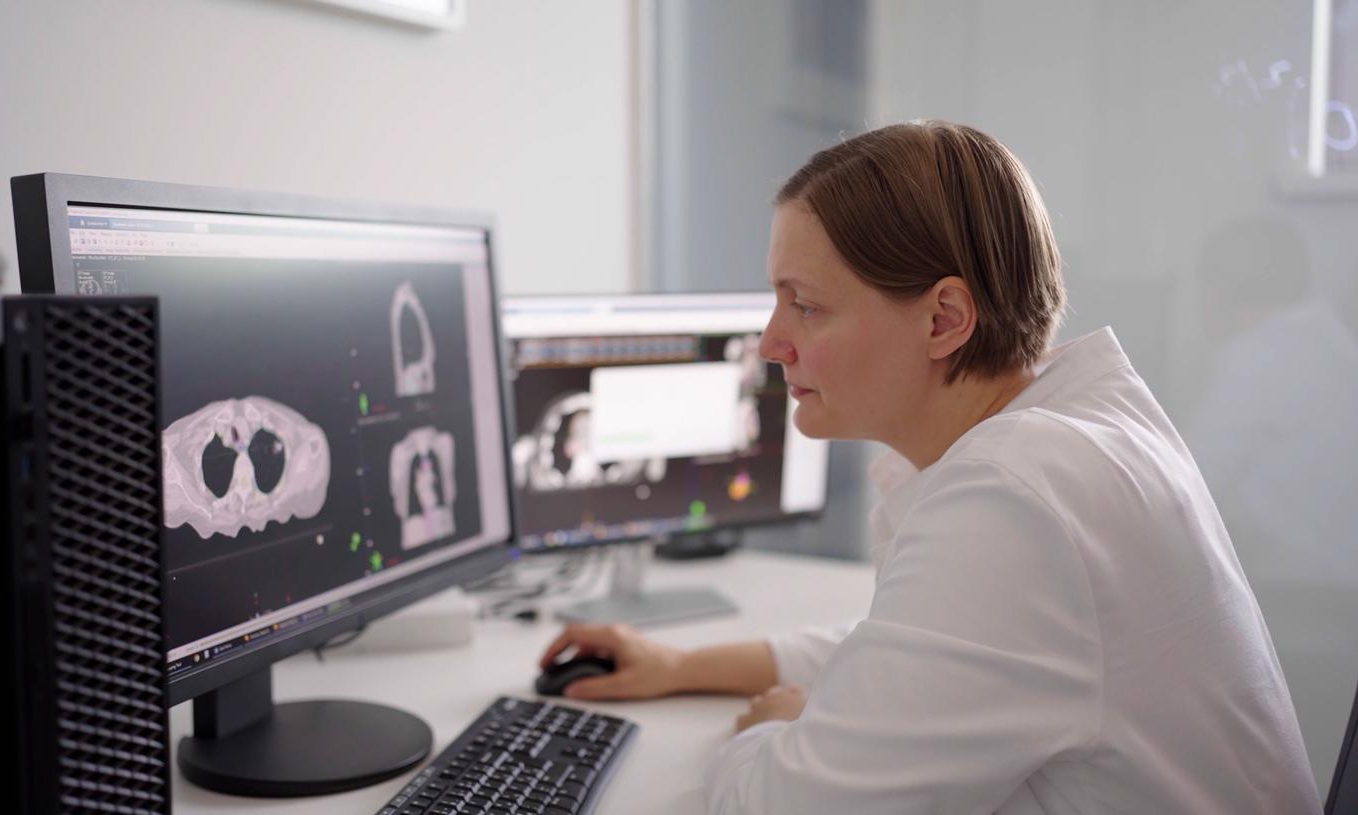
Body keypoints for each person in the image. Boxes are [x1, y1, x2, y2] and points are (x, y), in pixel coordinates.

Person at [537, 121, 1321, 813]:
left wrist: (773, 727)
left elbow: (793, 804)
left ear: (943, 318)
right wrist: (680, 666)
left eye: (804, 304)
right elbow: (911, 648)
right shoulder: (1064, 441)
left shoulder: (1016, 495)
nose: (771, 342)